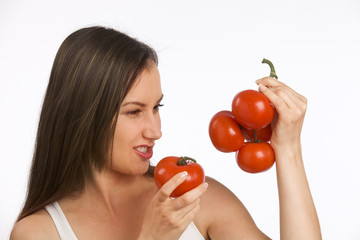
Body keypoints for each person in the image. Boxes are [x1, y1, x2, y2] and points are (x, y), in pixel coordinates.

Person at [10, 26, 321, 240]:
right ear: (83, 114)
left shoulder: (193, 197)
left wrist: (288, 148)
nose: (156, 131)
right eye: (134, 111)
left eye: (156, 107)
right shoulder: (40, 232)